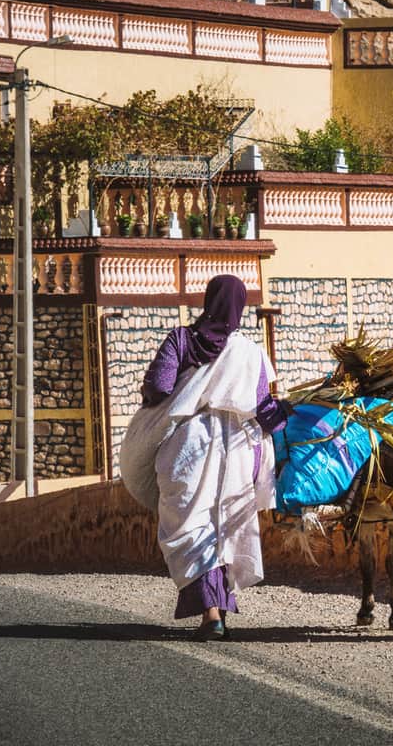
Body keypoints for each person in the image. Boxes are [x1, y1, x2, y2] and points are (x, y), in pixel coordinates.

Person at [120, 275, 290, 641]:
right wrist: (287, 420)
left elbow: (159, 387)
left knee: (192, 526)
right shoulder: (249, 352)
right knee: (226, 527)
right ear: (239, 308)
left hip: (188, 448)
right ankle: (219, 613)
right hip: (237, 454)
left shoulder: (181, 339)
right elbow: (264, 411)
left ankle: (210, 614)